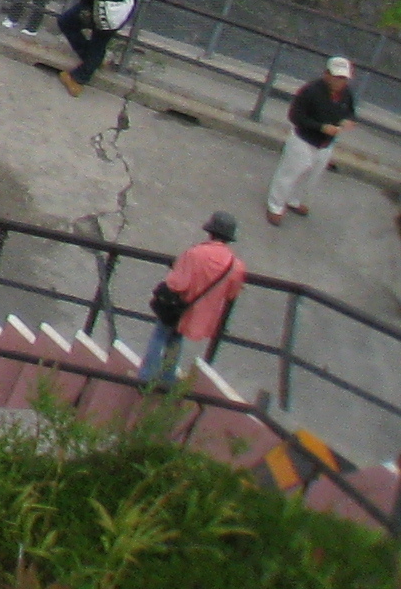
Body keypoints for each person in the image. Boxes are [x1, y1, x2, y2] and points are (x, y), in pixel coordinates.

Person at [139, 211, 247, 390]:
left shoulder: (195, 253)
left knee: (159, 336)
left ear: (210, 231)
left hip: (178, 306)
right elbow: (231, 294)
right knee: (176, 339)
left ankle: (145, 378)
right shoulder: (236, 266)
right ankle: (167, 378)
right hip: (197, 314)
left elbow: (176, 284)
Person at [269, 58, 360, 225]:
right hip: (303, 139)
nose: (340, 82)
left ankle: (295, 200)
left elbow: (351, 113)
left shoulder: (346, 94)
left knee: (312, 175)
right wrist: (321, 127)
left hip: (326, 144)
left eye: (344, 78)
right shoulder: (310, 91)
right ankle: (275, 205)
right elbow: (295, 116)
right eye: (337, 77)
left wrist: (349, 121)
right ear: (326, 75)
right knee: (289, 174)